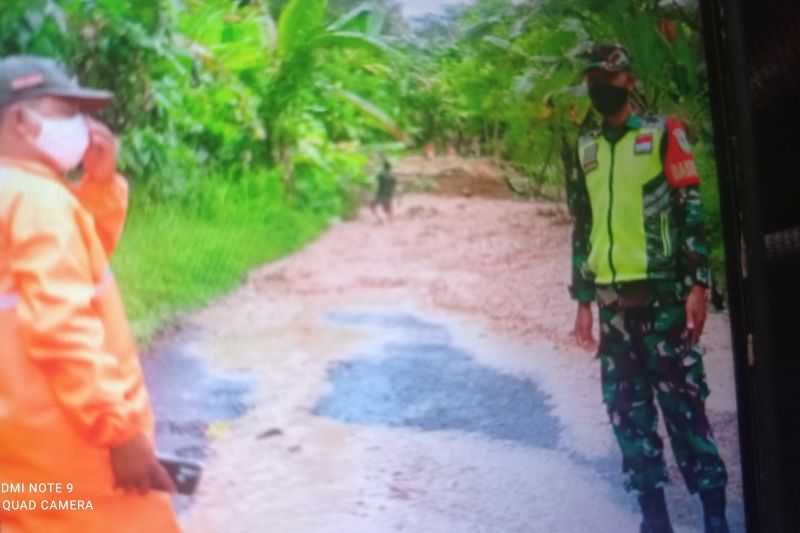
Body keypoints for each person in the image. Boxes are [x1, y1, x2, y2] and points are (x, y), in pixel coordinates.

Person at [0, 56, 180, 532]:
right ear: (21, 120)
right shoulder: (38, 201)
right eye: (66, 112)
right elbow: (62, 324)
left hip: (19, 450)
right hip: (71, 451)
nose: (84, 127)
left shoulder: (16, 195)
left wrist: (99, 187)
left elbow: (65, 272)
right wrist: (119, 433)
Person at [565, 44, 730, 533]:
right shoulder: (586, 144)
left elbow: (690, 208)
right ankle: (654, 521)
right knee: (628, 421)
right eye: (592, 77)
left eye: (607, 77)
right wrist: (582, 301)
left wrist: (698, 285)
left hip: (663, 305)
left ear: (628, 81)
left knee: (685, 416)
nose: (599, 85)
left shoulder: (662, 133)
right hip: (613, 308)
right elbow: (583, 224)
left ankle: (716, 520)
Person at [370, 156, 396, 222]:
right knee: (387, 208)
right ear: (390, 168)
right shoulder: (392, 176)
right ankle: (390, 219)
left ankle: (379, 218)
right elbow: (394, 186)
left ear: (383, 167)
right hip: (389, 194)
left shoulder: (381, 174)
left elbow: (376, 181)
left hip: (380, 193)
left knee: (372, 206)